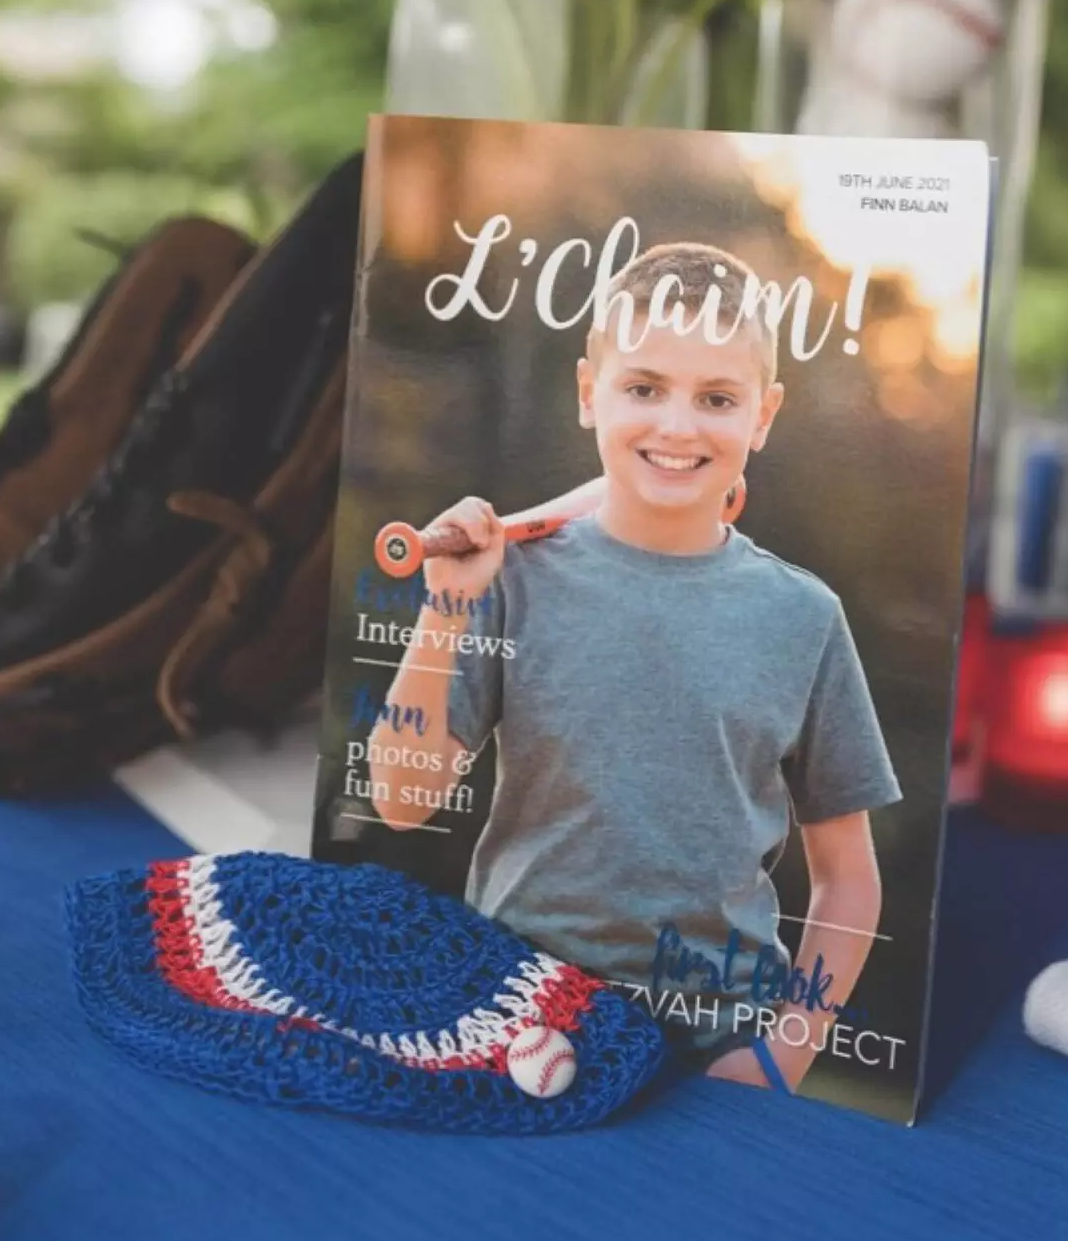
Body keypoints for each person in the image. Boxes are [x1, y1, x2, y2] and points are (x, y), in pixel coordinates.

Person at [370, 242, 901, 1093]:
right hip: (512, 1019)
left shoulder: (804, 619)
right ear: (590, 393)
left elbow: (847, 881)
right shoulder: (511, 581)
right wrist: (444, 606)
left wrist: (784, 1053)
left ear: (763, 416)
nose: (678, 427)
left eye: (717, 399)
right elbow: (401, 800)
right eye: (644, 387)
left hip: (712, 1050)